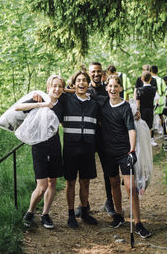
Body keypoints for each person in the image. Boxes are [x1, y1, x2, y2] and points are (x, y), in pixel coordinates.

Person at [98, 74, 151, 238]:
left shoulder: (125, 107)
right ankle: (119, 215)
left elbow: (131, 130)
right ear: (106, 87)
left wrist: (132, 151)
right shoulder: (102, 102)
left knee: (131, 188)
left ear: (120, 88)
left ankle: (138, 223)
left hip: (124, 152)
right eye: (110, 86)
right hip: (108, 153)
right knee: (114, 183)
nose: (113, 89)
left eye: (116, 86)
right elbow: (81, 93)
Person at [15, 75, 65, 229]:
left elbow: (72, 92)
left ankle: (45, 214)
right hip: (39, 147)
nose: (56, 89)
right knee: (42, 185)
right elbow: (18, 107)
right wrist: (41, 104)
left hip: (55, 146)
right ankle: (30, 212)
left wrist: (69, 89)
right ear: (48, 87)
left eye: (60, 86)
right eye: (53, 86)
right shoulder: (38, 99)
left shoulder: (62, 103)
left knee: (53, 182)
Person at [59, 70, 99, 229]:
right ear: (74, 84)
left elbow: (114, 100)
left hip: (88, 146)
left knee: (85, 182)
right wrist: (71, 89)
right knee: (70, 182)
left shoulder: (95, 102)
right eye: (78, 81)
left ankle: (84, 211)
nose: (81, 83)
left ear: (88, 84)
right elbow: (56, 89)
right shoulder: (66, 99)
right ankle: (70, 215)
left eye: (84, 80)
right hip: (71, 146)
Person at [85, 62, 116, 217]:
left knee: (108, 171)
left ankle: (110, 202)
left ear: (102, 73)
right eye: (93, 71)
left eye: (98, 71)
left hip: (106, 137)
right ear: (89, 73)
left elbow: (119, 103)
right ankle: (84, 204)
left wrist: (134, 112)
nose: (96, 74)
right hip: (89, 137)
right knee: (85, 172)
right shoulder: (84, 89)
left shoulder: (108, 88)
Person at [136, 71, 156, 144]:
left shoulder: (139, 90)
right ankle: (149, 140)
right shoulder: (153, 89)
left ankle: (143, 141)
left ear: (142, 78)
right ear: (150, 79)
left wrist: (137, 110)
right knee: (150, 125)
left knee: (142, 126)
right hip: (150, 109)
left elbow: (138, 102)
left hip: (142, 110)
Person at [151, 65, 167, 139]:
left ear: (151, 71)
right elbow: (165, 91)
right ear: (157, 71)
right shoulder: (161, 80)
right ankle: (165, 133)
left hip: (152, 100)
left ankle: (152, 136)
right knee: (161, 117)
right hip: (160, 100)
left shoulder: (149, 79)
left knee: (152, 118)